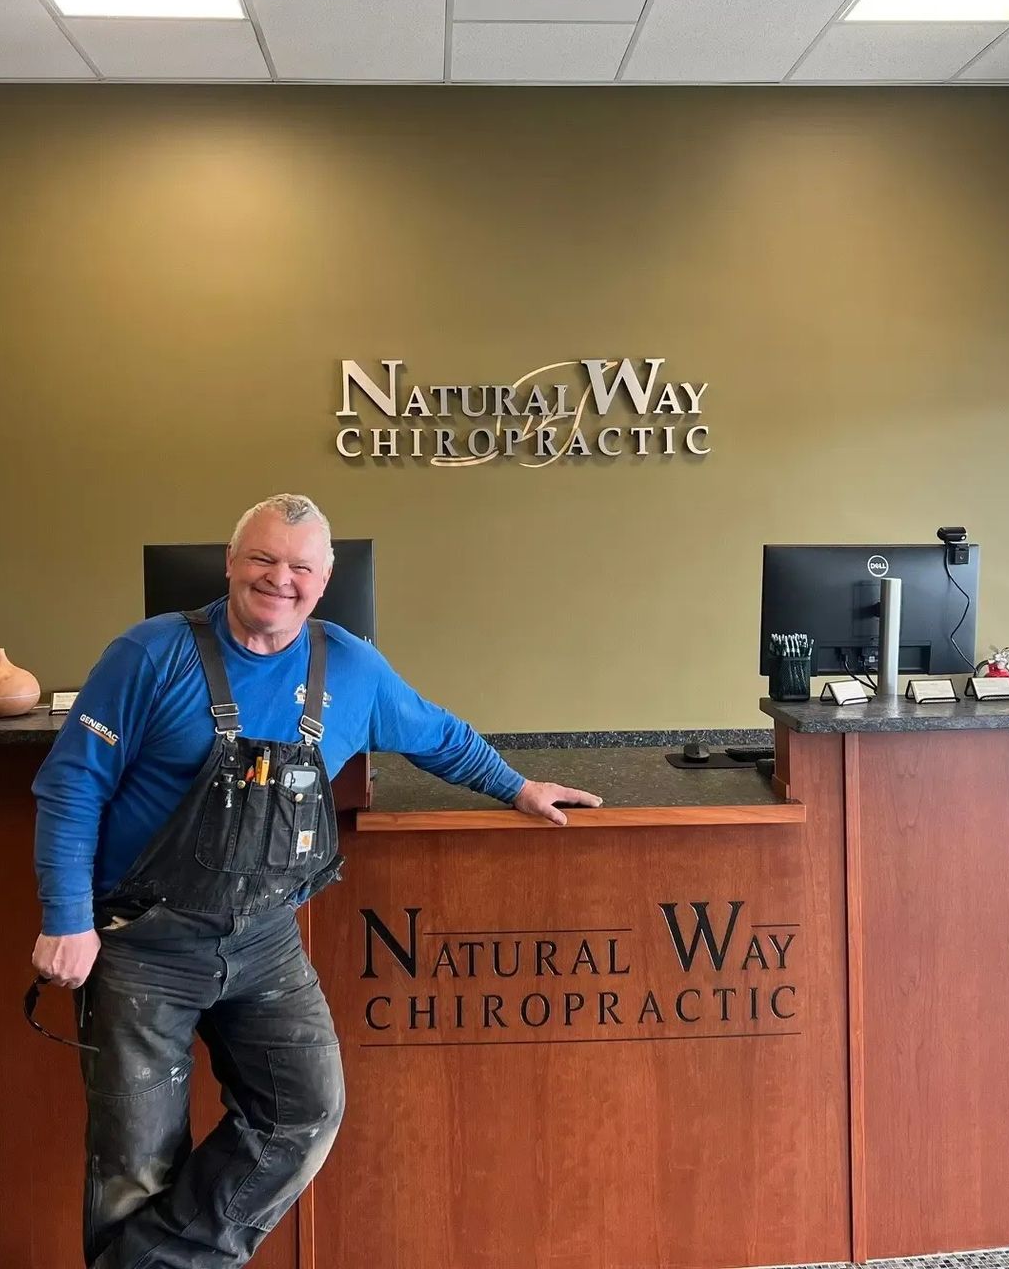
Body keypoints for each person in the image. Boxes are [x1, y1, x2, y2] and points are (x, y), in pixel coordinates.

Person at [31, 493, 598, 1269]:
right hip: (144, 940)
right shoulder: (150, 654)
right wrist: (66, 918)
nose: (279, 579)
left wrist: (520, 788)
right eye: (262, 559)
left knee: (304, 1111)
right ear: (230, 564)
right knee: (135, 1158)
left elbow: (439, 736)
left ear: (325, 581)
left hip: (263, 940)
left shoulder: (351, 667)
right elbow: (71, 786)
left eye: (300, 566)